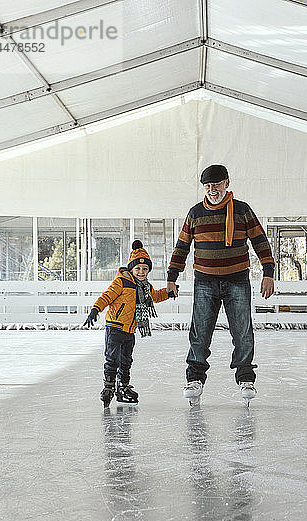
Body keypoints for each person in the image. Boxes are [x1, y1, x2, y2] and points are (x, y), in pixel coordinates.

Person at [166, 164, 275, 404]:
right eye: (207, 185)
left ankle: (246, 377)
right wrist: (172, 276)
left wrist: (268, 272)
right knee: (200, 332)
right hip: (205, 281)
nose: (212, 189)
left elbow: (260, 241)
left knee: (242, 330)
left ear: (227, 183)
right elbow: (182, 246)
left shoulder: (242, 210)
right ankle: (194, 377)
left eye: (216, 184)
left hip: (237, 279)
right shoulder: (195, 213)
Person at [84, 240, 176, 407]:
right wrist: (95, 309)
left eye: (145, 269)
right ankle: (108, 387)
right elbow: (107, 296)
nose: (141, 272)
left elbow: (154, 297)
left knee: (126, 361)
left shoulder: (146, 286)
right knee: (112, 359)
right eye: (138, 268)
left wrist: (168, 293)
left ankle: (123, 387)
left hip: (130, 330)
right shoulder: (122, 281)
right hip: (115, 327)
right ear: (131, 269)